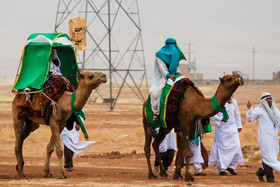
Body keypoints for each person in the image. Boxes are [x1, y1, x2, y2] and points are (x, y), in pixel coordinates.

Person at [149, 38, 186, 121]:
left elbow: (175, 66)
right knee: (155, 91)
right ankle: (156, 113)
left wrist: (178, 73)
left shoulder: (175, 54)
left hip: (173, 76)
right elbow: (162, 69)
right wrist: (168, 75)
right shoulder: (160, 55)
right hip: (161, 78)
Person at [246, 92, 280, 183]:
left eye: (270, 98)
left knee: (271, 157)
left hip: (274, 138)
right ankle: (270, 178)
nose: (269, 100)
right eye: (267, 99)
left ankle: (260, 172)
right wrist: (250, 109)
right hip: (264, 137)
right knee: (269, 157)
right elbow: (250, 119)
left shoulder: (275, 110)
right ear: (263, 100)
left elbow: (279, 123)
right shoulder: (258, 110)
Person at [209, 97, 244, 175]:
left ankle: (231, 166)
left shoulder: (234, 102)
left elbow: (237, 114)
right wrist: (220, 119)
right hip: (222, 128)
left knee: (236, 146)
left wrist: (239, 126)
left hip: (232, 128)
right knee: (222, 149)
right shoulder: (218, 101)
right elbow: (212, 113)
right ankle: (221, 169)